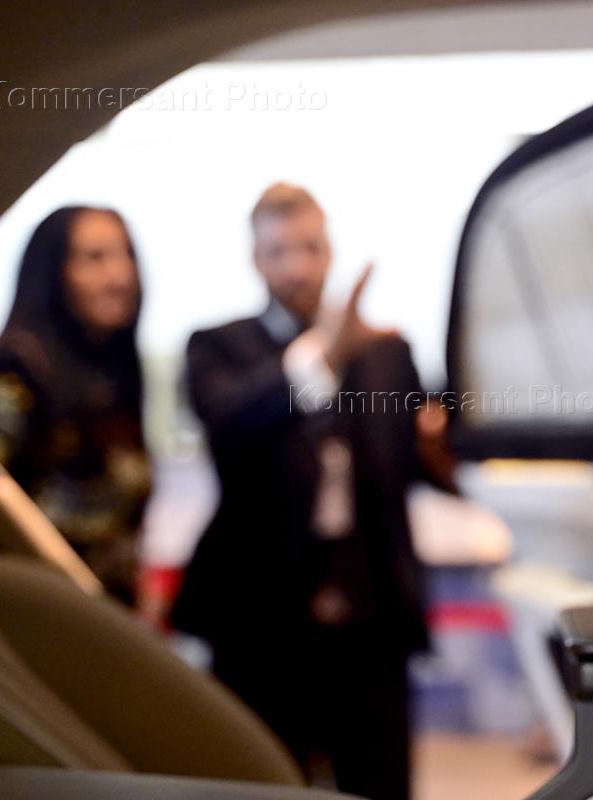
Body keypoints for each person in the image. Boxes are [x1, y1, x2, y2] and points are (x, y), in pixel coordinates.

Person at [170, 183, 427, 800]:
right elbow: (230, 418)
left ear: (330, 251)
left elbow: (414, 460)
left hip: (370, 615)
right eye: (279, 251)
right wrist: (322, 356)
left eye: (310, 248)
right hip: (260, 619)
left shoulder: (386, 352)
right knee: (262, 784)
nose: (298, 267)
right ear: (255, 260)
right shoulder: (216, 347)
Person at [0, 206, 151, 605]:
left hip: (105, 611)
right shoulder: (10, 374)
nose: (120, 276)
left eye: (126, 254)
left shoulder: (114, 374)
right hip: (32, 610)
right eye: (94, 258)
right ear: (52, 272)